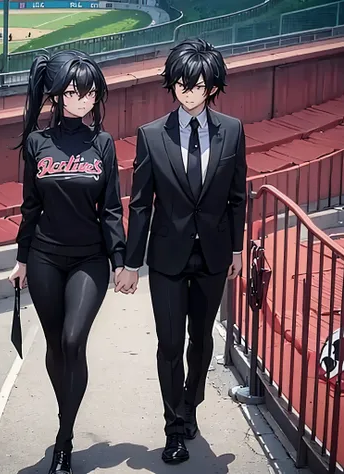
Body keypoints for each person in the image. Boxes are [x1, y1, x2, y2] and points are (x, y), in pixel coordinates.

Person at [116, 38, 247, 463]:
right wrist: (131, 263)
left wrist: (237, 250)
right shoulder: (151, 135)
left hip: (213, 256)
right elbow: (139, 203)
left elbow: (236, 197)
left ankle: (192, 405)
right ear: (171, 85)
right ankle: (173, 427)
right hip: (168, 258)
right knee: (170, 344)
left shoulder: (233, 129)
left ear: (212, 87)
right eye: (180, 84)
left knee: (201, 340)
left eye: (197, 85)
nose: (188, 92)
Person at [8, 50, 126, 474]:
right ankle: (66, 428)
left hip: (89, 260)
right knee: (56, 344)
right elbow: (30, 207)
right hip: (43, 258)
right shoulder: (37, 143)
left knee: (75, 341)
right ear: (57, 94)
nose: (85, 99)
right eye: (77, 91)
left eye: (92, 92)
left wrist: (120, 261)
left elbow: (111, 209)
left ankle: (64, 435)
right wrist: (21, 260)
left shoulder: (103, 143)